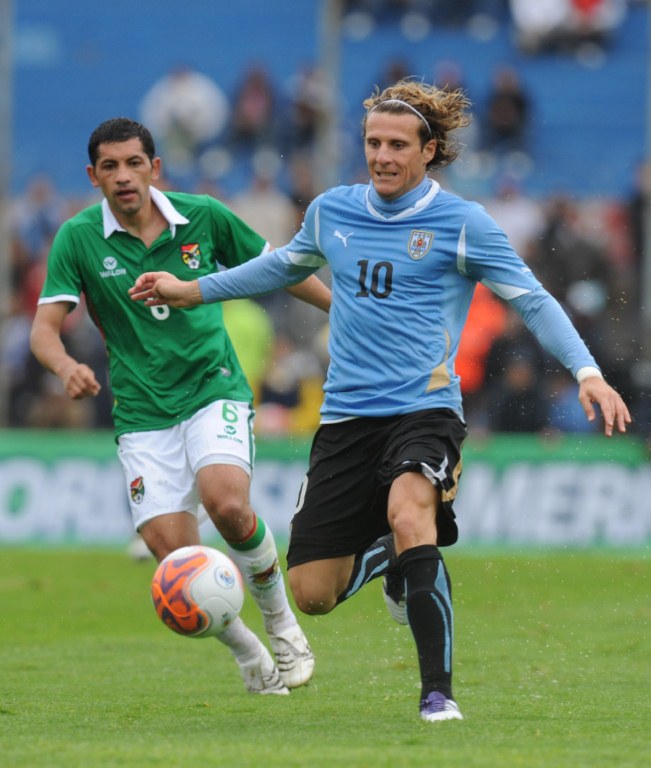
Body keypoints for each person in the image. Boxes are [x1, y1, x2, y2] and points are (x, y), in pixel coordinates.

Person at [129, 80, 631, 722]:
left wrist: (587, 372)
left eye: (397, 145)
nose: (383, 156)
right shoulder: (332, 211)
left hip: (426, 409)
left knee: (411, 515)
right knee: (312, 593)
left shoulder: (463, 223)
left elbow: (531, 300)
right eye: (373, 143)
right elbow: (282, 266)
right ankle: (393, 556)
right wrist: (193, 289)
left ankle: (437, 695)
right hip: (345, 418)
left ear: (429, 151)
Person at [30, 117, 332, 696]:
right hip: (142, 413)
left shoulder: (203, 216)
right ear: (93, 176)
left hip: (211, 386)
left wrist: (340, 310)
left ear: (155, 168)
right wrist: (66, 366)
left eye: (133, 163)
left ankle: (282, 626)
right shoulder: (77, 238)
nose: (124, 176)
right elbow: (45, 330)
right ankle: (247, 651)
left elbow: (281, 268)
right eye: (110, 167)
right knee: (176, 562)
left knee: (228, 504)